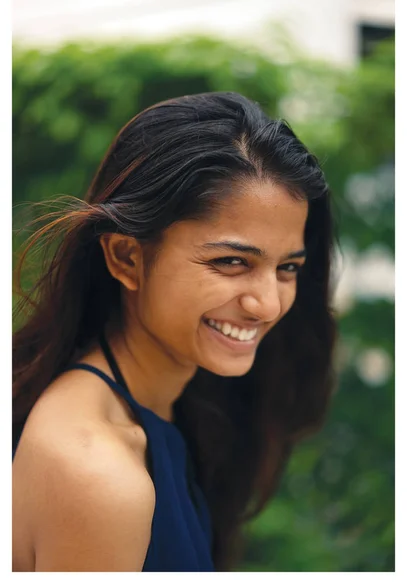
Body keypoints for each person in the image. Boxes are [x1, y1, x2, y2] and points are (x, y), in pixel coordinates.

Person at [12, 91, 337, 572]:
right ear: (127, 258)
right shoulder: (98, 474)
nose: (267, 304)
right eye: (231, 262)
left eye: (288, 268)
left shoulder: (178, 403)